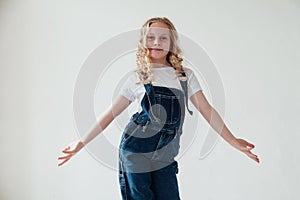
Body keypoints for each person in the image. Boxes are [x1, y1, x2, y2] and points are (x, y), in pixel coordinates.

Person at [58, 17, 260, 200]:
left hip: (165, 156)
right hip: (136, 151)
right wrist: (81, 143)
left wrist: (232, 140)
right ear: (143, 42)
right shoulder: (138, 78)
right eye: (151, 37)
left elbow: (207, 110)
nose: (157, 42)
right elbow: (111, 113)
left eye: (164, 38)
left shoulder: (184, 76)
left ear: (172, 43)